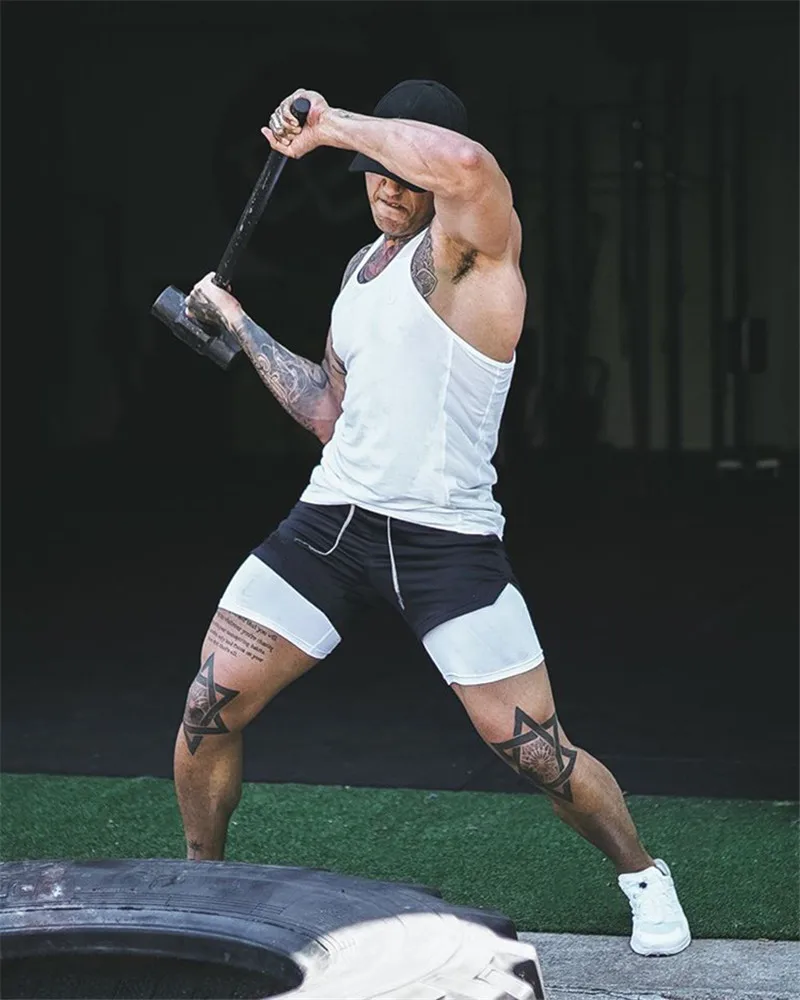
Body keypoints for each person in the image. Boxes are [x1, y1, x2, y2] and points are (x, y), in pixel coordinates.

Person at [176, 80, 691, 957]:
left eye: (402, 173)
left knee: (536, 751)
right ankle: (201, 888)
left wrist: (330, 126)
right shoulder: (361, 270)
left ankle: (644, 875)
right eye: (375, 173)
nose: (387, 186)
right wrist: (239, 324)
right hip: (330, 524)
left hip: (444, 540)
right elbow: (329, 411)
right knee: (208, 706)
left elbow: (461, 162)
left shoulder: (472, 250)